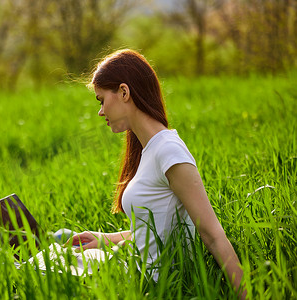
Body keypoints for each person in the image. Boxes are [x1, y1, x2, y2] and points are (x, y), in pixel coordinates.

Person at [67, 49, 246, 297]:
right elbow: (156, 231)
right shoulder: (149, 150)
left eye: (101, 100)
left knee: (35, 264)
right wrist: (104, 238)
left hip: (145, 283)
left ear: (124, 92)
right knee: (59, 242)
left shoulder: (168, 151)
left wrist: (247, 294)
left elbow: (213, 235)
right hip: (129, 265)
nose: (100, 111)